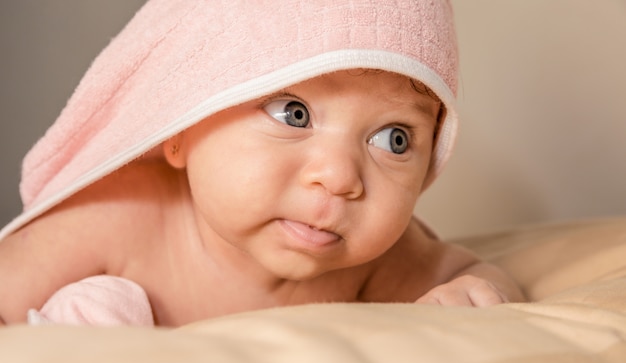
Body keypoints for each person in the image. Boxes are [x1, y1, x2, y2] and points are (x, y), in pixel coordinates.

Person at [0, 0, 524, 327]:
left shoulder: (377, 262)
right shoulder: (116, 215)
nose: (340, 178)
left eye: (393, 139)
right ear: (180, 127)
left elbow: (474, 278)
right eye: (293, 113)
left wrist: (475, 293)